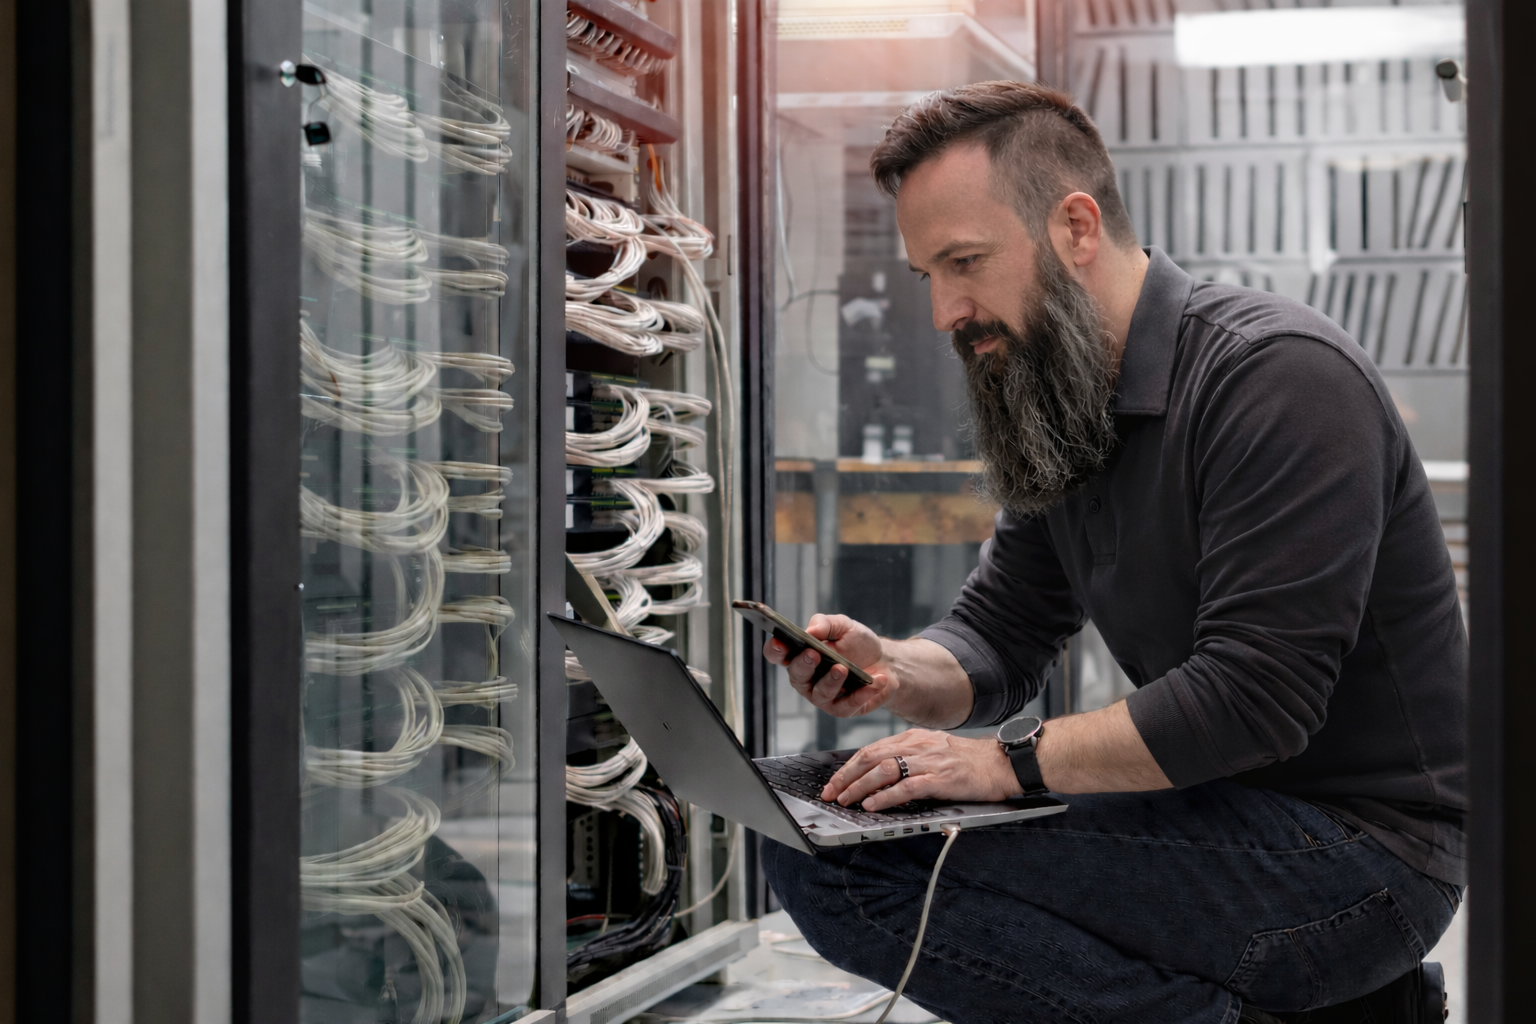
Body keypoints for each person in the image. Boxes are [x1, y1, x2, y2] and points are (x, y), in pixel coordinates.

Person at [761, 81, 1465, 1024]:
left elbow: (1257, 700)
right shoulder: (1070, 394)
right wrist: (893, 670)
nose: (945, 313)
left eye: (967, 261)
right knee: (805, 816)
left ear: (1076, 227)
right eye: (930, 274)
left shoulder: (1280, 380)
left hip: (1363, 858)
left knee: (849, 865)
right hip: (1217, 811)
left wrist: (1004, 763)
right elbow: (1000, 633)